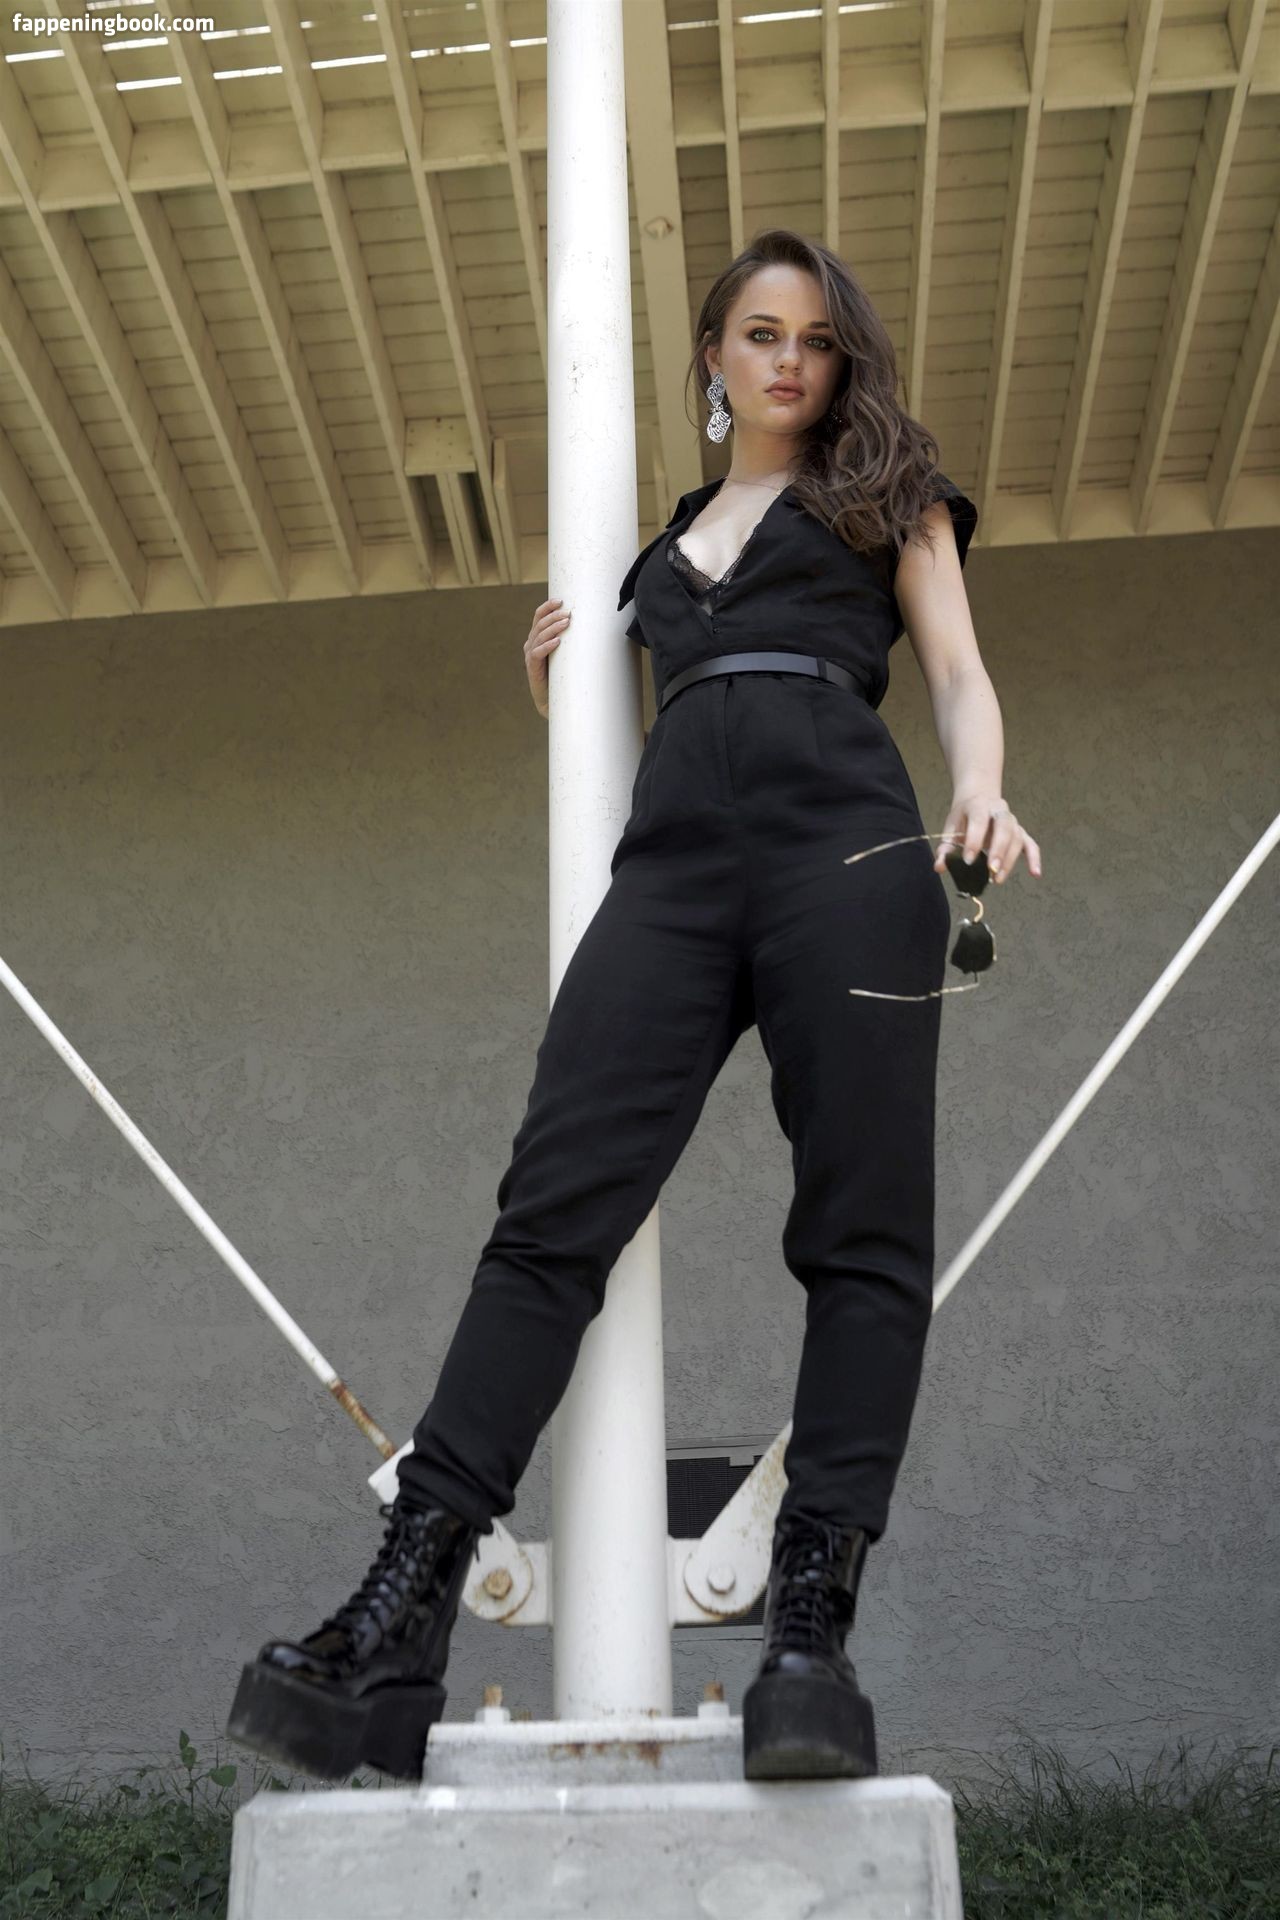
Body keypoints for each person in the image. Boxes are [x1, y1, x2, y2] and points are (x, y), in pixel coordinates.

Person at [227, 228, 1042, 1787]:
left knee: (864, 1231)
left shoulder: (889, 492)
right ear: (715, 357)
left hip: (846, 849)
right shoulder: (660, 541)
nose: (788, 358)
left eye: (814, 337)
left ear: (841, 361)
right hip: (670, 877)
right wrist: (562, 678)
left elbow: (955, 673)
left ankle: (810, 1641)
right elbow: (641, 701)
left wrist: (982, 791)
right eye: (759, 332)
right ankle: (399, 1618)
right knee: (550, 1213)